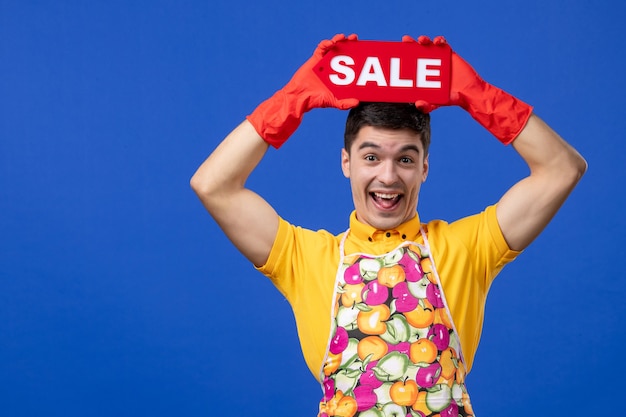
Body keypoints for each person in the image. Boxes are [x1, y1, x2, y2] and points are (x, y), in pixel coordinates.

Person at [190, 34, 587, 417]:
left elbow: (562, 168)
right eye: (371, 157)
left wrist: (476, 95)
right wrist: (292, 101)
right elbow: (213, 185)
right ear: (346, 163)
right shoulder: (304, 257)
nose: (388, 176)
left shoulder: (468, 247)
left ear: (424, 169)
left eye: (406, 159)